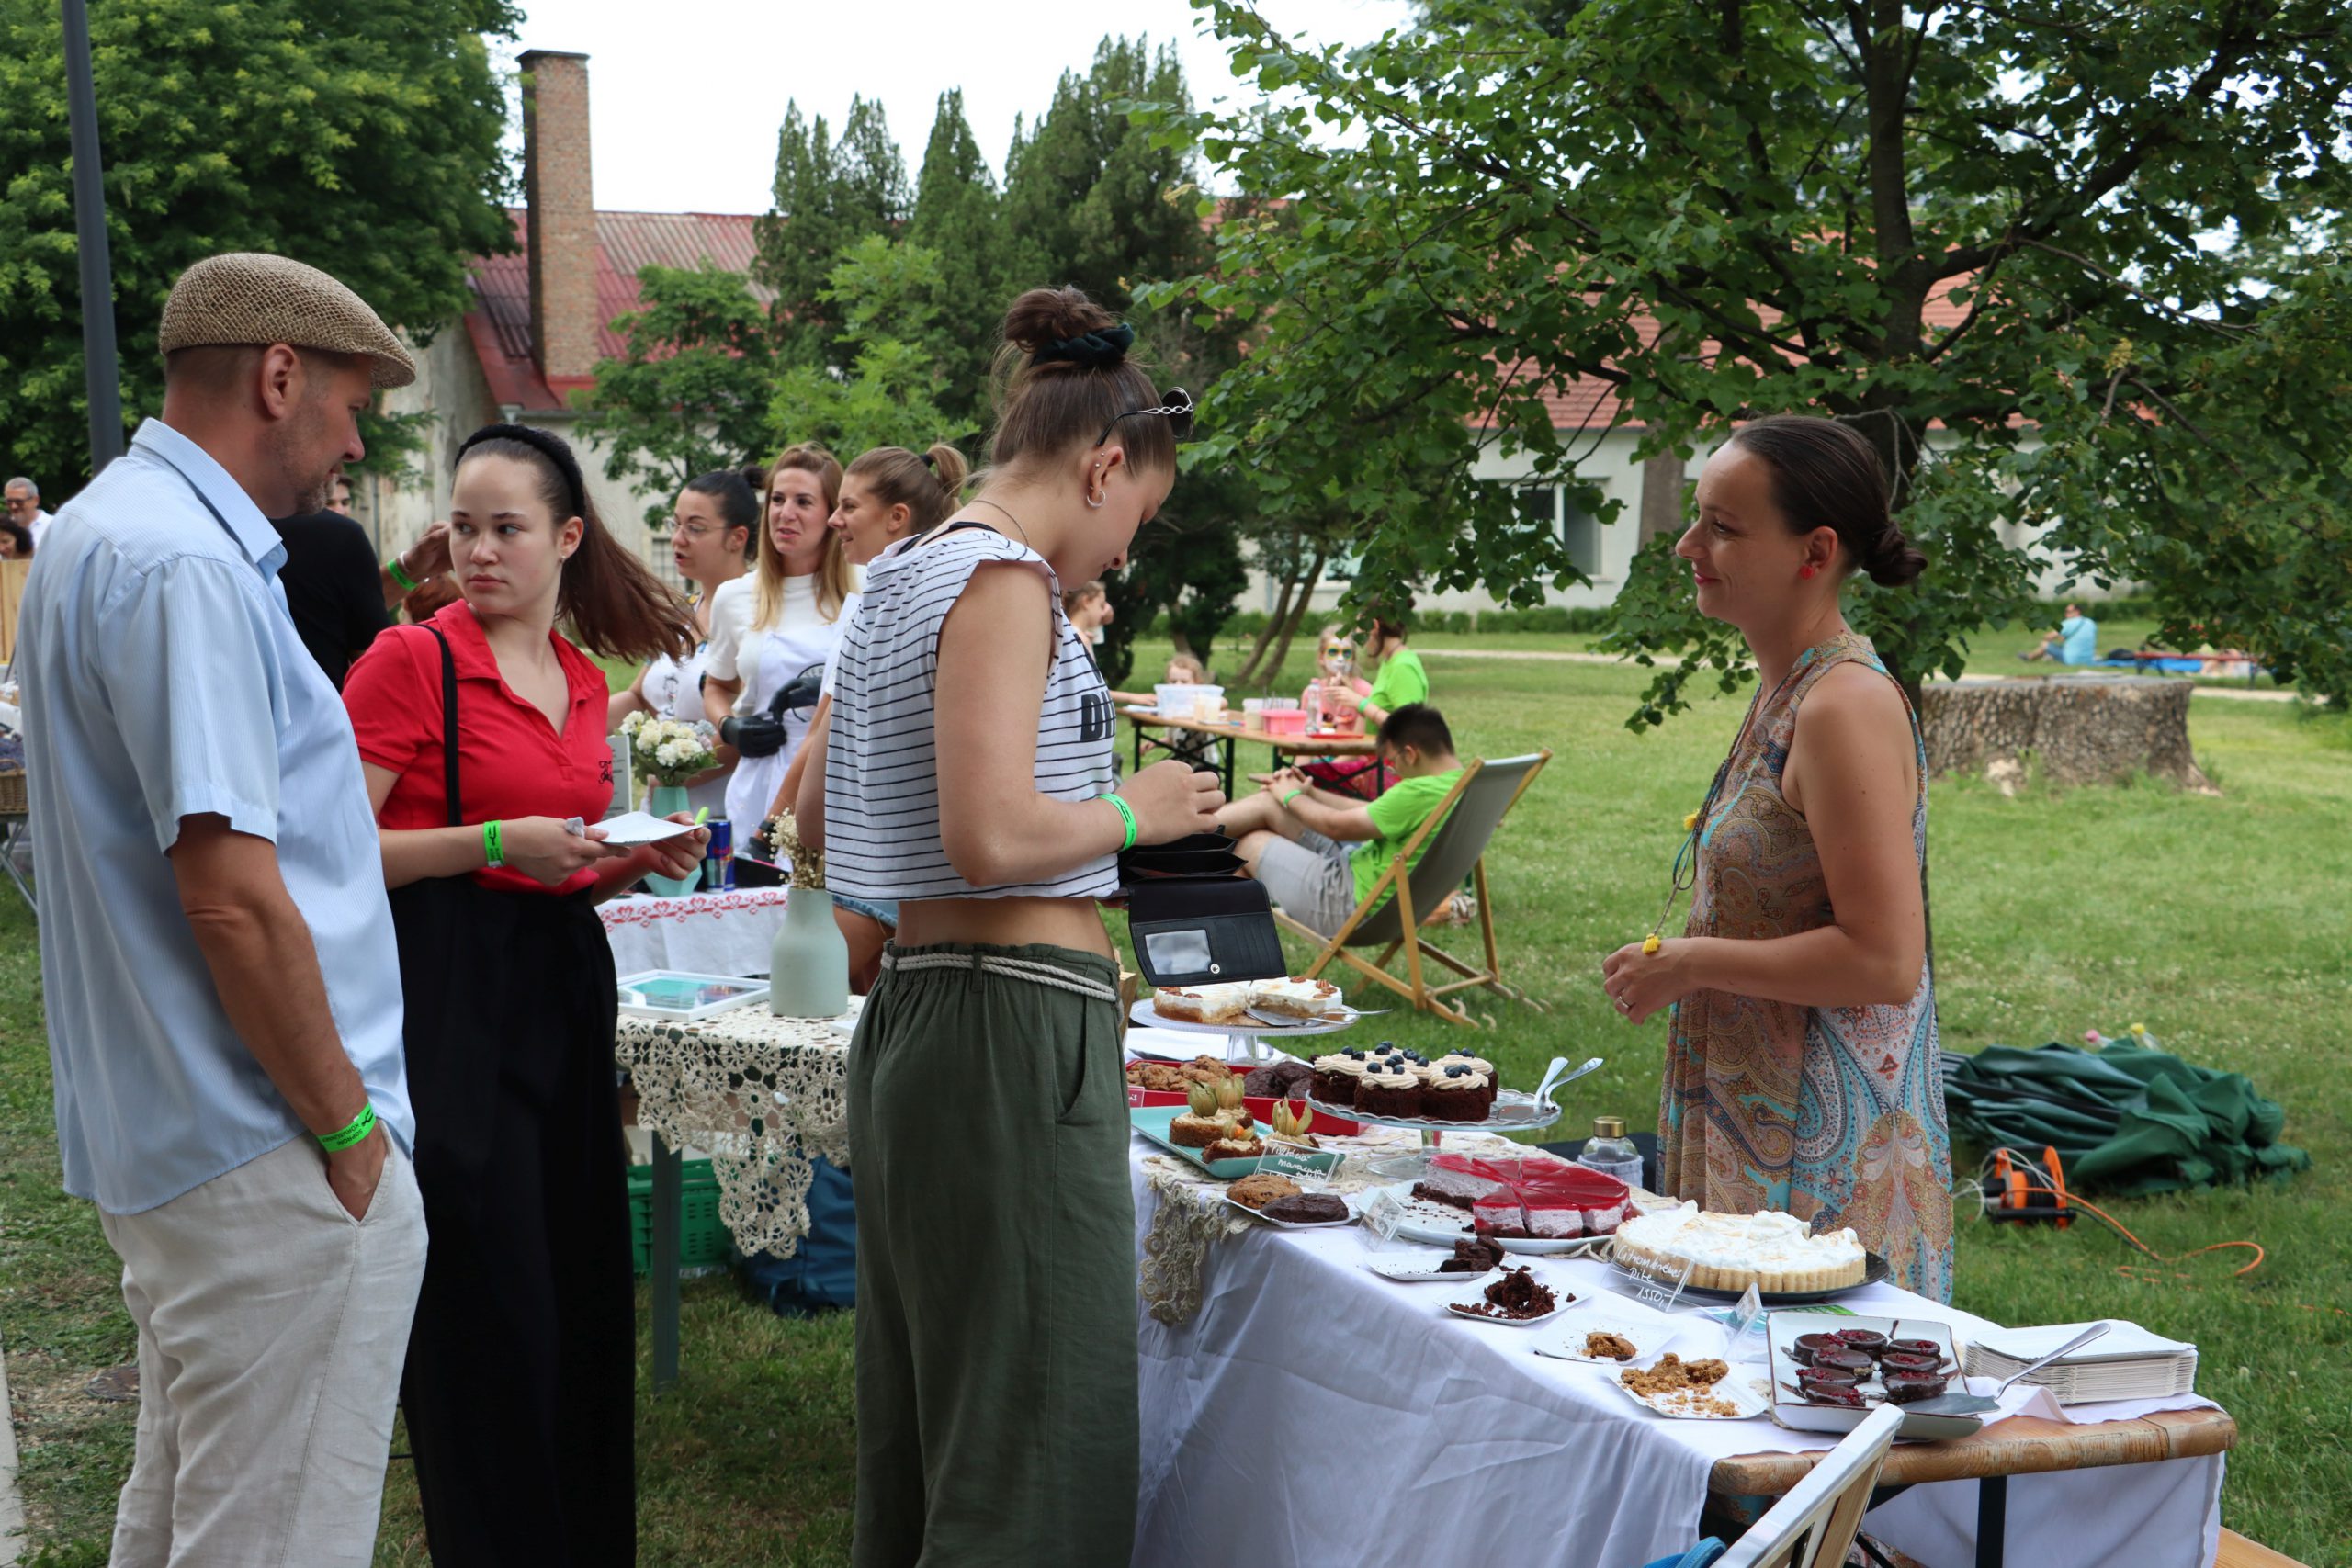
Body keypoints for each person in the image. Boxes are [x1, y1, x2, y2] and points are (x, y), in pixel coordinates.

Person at [15, 251, 426, 1563]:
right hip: (267, 1144)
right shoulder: (184, 562)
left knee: (189, 1514)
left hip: (179, 1133)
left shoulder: (92, 530)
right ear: (279, 374)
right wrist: (348, 1126)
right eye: (351, 404)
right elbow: (235, 898)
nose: (351, 445)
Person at [810, 286, 1220, 1566]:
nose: (1123, 557)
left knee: (945, 1415)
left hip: (940, 1009)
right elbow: (991, 836)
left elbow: (828, 811)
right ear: (1105, 466)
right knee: (1033, 1433)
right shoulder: (999, 576)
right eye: (1135, 521)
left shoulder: (900, 577)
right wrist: (1137, 810)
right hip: (1006, 1021)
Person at [341, 423, 706, 1566]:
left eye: (506, 528)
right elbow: (329, 855)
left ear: (567, 537)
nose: (479, 549)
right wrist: (492, 838)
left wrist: (621, 860)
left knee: (581, 1278)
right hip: (448, 991)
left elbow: (560, 855)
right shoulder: (413, 661)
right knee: (486, 1300)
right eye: (463, 525)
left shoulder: (589, 682)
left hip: (560, 983)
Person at [1598, 413, 1952, 1302]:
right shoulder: (1786, 688)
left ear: (1816, 549)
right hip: (1751, 1113)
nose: (1687, 545)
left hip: (1817, 1155)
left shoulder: (1844, 706)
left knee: (1795, 1407)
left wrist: (1689, 964)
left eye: (1722, 526)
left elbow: (1885, 959)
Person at [778, 442, 968, 989]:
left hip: (875, 850)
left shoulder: (876, 602)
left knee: (808, 998)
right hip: (913, 853)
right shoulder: (936, 588)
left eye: (848, 507)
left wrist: (782, 817)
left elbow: (829, 727)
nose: (834, 520)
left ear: (897, 519)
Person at [704, 443, 851, 841]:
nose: (786, 514)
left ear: (832, 513)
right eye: (778, 500)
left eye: (804, 502)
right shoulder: (735, 596)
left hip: (840, 788)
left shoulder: (866, 587)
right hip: (758, 787)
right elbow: (717, 685)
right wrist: (730, 725)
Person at [1220, 703, 1464, 939]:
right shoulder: (1464, 785)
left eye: (1393, 762)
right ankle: (1190, 835)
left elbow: (1335, 827)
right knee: (1270, 805)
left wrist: (1290, 795)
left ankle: (1228, 947)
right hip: (1389, 899)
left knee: (1247, 846)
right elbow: (1371, 810)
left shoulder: (1418, 792)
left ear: (1410, 754)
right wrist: (1309, 794)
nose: (1395, 771)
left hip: (1349, 904)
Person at [608, 468, 758, 817]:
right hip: (659, 816)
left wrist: (671, 775)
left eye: (695, 527)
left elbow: (747, 732)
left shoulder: (757, 617)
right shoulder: (680, 612)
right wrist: (576, 721)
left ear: (737, 538)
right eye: (675, 524)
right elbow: (639, 697)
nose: (678, 539)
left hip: (718, 821)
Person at [270, 499, 451, 687]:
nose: (340, 510)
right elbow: (379, 675)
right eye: (330, 502)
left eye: (346, 502)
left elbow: (349, 607)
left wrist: (410, 569)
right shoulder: (337, 535)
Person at [1353, 602, 1427, 726]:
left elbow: (1410, 726)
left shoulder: (1402, 666)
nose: (1357, 633)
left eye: (1360, 627)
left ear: (1374, 626)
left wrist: (1361, 704)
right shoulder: (1390, 661)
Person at [2021, 602, 2098, 665]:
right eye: (2065, 612)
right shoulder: (2090, 622)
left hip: (2072, 660)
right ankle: (2043, 656)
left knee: (2045, 644)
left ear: (2077, 612)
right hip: (2088, 660)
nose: (2066, 614)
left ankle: (2029, 657)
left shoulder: (2068, 623)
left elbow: (2048, 637)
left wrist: (2052, 636)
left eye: (2068, 612)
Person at [4, 475, 53, 550]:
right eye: (9, 502)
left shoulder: (53, 525)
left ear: (36, 500)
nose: (14, 506)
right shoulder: (3, 527)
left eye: (19, 502)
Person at [1064, 577, 1114, 648]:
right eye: (1101, 605)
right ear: (1086, 602)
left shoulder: (1065, 632)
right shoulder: (1082, 641)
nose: (1103, 613)